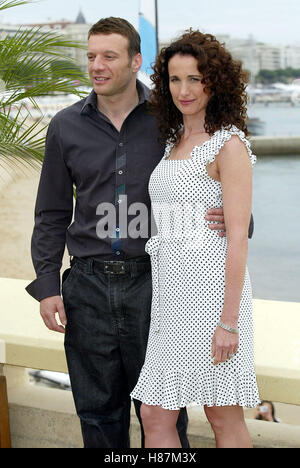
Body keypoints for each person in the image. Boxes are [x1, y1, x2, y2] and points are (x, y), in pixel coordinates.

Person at [25, 18, 229, 449]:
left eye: (109, 56)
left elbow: (214, 176)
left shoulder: (173, 120)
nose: (96, 65)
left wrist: (235, 218)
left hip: (157, 283)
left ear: (136, 61)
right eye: (91, 56)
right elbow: (51, 213)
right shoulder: (65, 126)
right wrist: (47, 286)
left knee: (163, 413)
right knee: (97, 414)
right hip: (87, 286)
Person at [131, 30, 261, 449]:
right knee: (154, 413)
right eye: (174, 79)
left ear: (213, 82)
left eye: (194, 79)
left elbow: (237, 239)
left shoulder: (229, 144)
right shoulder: (174, 141)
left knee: (222, 418)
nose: (183, 90)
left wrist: (228, 323)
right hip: (171, 298)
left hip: (212, 301)